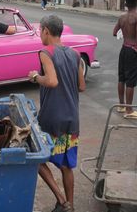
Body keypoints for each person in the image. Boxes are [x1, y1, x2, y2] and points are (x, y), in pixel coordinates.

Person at [28, 15, 85, 212]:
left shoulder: (46, 52)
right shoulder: (75, 54)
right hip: (72, 118)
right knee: (66, 165)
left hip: (53, 117)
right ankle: (71, 206)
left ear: (46, 30)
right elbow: (82, 86)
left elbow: (52, 81)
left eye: (40, 31)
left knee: (36, 158)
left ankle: (61, 200)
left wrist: (36, 77)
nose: (39, 35)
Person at [112, 0, 137, 119]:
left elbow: (115, 32)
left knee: (122, 78)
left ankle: (121, 105)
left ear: (125, 4)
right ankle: (129, 110)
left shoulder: (122, 18)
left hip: (124, 49)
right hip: (132, 50)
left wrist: (124, 32)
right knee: (131, 81)